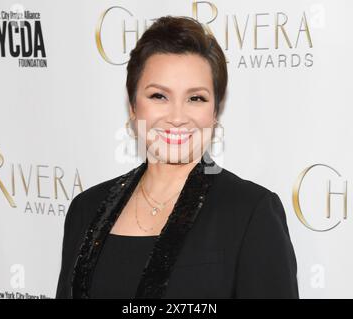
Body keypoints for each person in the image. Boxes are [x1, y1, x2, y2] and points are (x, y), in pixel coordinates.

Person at [56, 15, 299, 299]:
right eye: (159, 96)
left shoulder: (250, 213)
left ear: (215, 111)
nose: (177, 117)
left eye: (196, 98)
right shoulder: (86, 208)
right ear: (133, 105)